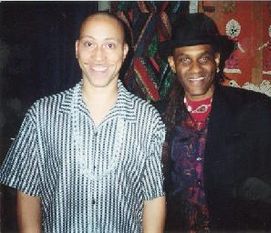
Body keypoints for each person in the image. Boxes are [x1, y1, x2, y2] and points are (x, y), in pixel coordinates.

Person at [0, 11, 166, 233]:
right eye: (89, 44)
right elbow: (28, 192)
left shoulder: (148, 120)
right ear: (77, 48)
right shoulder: (42, 115)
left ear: (125, 52)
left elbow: (153, 198)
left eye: (109, 45)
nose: (99, 56)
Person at [158, 13, 271, 232]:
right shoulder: (157, 116)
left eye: (204, 58)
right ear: (173, 63)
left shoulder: (253, 110)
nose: (195, 68)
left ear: (217, 60)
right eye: (185, 59)